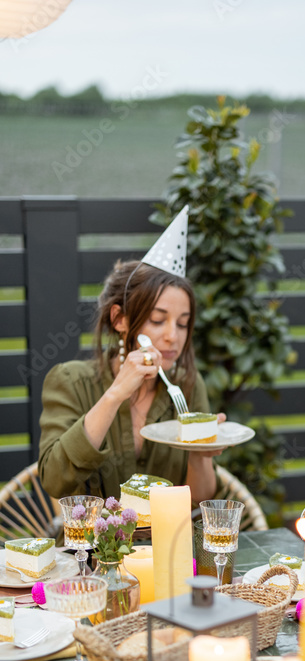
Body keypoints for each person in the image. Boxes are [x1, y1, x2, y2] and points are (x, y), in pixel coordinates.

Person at [39, 208, 225, 505]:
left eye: (182, 323)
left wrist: (200, 456)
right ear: (120, 319)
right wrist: (114, 395)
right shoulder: (71, 381)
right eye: (157, 319)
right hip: (91, 549)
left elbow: (196, 502)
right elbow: (54, 479)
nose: (172, 336)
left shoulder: (187, 385)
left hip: (165, 549)